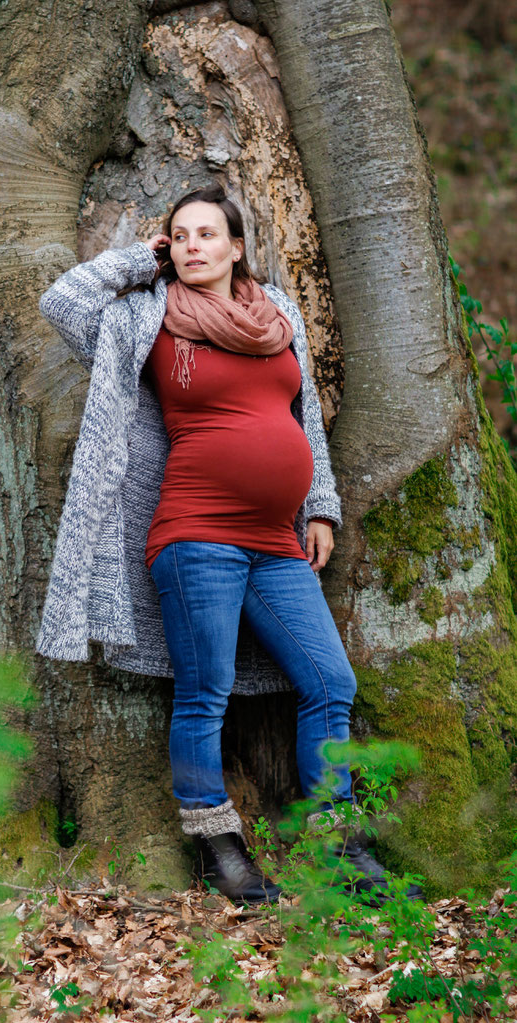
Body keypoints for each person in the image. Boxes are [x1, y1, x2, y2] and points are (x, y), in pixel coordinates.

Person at [34, 183, 421, 906]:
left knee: (330, 682)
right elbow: (62, 303)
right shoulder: (147, 315)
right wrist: (133, 260)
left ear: (237, 247)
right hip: (195, 533)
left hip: (278, 541)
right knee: (204, 690)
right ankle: (219, 845)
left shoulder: (277, 313)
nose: (191, 246)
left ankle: (336, 840)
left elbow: (301, 419)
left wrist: (321, 507)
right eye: (179, 236)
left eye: (206, 234)